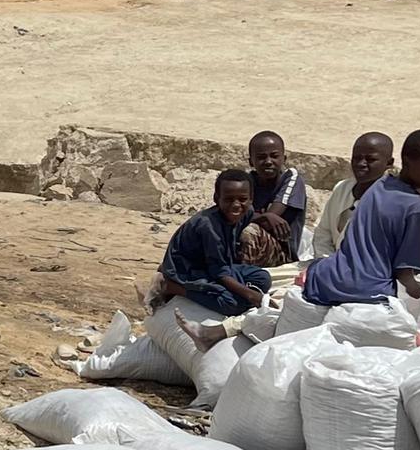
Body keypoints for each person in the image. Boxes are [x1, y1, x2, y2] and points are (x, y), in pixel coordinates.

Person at [302, 130, 420, 305]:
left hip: (324, 278)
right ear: (407, 162)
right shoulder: (417, 206)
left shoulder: (379, 186)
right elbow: (404, 274)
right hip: (368, 291)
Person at [159, 170, 268, 319]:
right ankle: (174, 288)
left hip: (218, 265)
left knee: (263, 278)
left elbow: (222, 267)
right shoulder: (208, 227)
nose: (236, 205)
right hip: (188, 270)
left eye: (242, 199)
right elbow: (220, 273)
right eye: (229, 199)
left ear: (251, 199)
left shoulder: (246, 213)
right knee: (233, 304)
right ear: (217, 198)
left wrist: (267, 216)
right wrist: (250, 295)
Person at [308, 132, 395, 261]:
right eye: (356, 158)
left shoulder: (391, 201)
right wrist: (325, 262)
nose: (361, 164)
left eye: (370, 160)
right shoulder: (342, 188)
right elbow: (323, 232)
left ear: (389, 163)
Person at [239, 130, 309, 265]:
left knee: (249, 231)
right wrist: (264, 217)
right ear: (251, 162)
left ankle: (241, 279)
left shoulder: (291, 179)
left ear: (284, 159)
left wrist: (261, 217)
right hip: (252, 245)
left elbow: (270, 217)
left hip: (281, 253)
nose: (268, 162)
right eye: (261, 157)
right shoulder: (248, 182)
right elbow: (235, 216)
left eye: (274, 156)